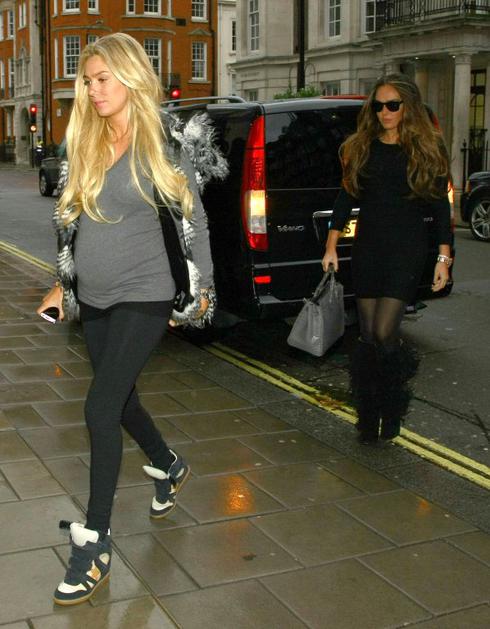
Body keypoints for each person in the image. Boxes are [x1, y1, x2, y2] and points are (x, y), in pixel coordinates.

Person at [37, 32, 217, 605]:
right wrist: (62, 283)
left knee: (99, 407)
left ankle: (95, 542)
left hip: (146, 292)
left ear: (131, 77)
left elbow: (193, 220)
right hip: (95, 297)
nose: (93, 90)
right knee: (122, 401)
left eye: (102, 79)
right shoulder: (87, 142)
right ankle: (168, 464)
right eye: (87, 81)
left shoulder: (161, 142)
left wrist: (200, 291)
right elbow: (73, 224)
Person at [322, 73, 452, 444]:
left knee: (383, 331)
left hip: (406, 249)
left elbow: (440, 207)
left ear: (408, 107)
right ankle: (368, 416)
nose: (385, 112)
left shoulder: (425, 149)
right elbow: (346, 198)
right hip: (369, 247)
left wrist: (443, 258)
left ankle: (392, 409)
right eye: (378, 106)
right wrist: (331, 246)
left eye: (392, 105)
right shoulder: (362, 147)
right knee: (367, 336)